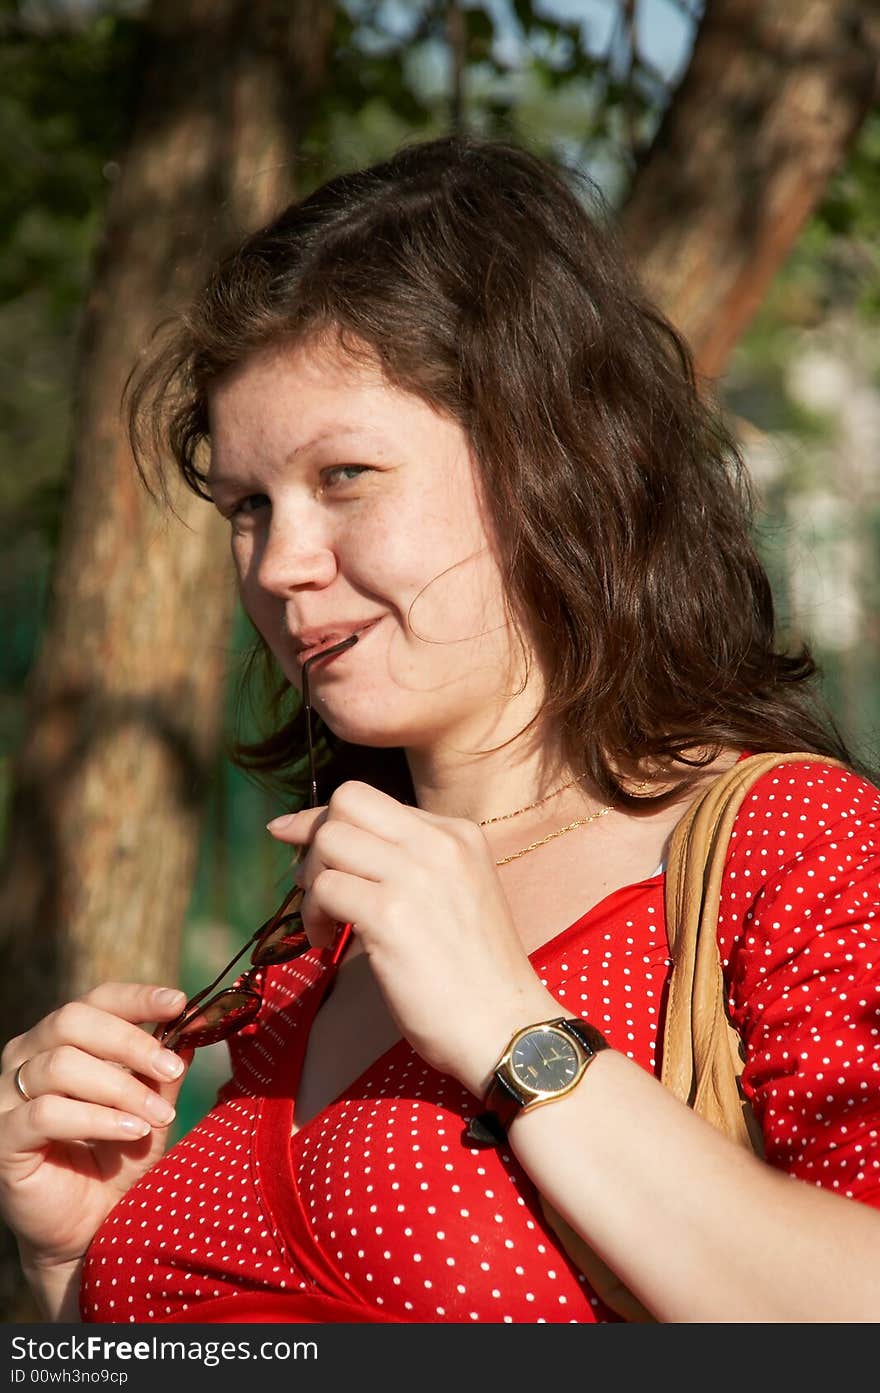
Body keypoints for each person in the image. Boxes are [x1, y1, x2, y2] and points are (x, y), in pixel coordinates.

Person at [2, 134, 879, 1326]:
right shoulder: (313, 936)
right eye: (249, 506)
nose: (281, 564)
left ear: (553, 461)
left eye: (347, 474)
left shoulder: (794, 843)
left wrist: (513, 1029)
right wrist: (79, 1266)